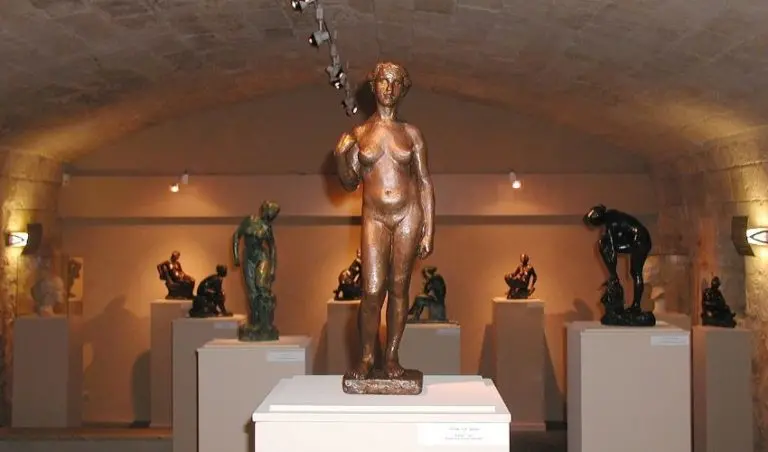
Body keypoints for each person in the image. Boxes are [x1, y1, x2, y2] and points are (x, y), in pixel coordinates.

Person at [334, 62, 435, 380]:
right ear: (373, 86)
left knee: (399, 288)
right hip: (375, 216)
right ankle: (367, 356)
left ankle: (391, 356)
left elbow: (424, 182)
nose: (389, 88)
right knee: (373, 290)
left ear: (402, 90)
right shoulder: (360, 134)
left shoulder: (412, 133)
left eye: (395, 82)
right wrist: (341, 157)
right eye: (383, 81)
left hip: (408, 215)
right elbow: (349, 183)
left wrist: (429, 230)